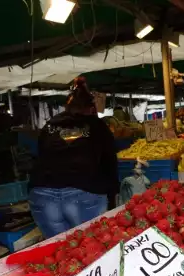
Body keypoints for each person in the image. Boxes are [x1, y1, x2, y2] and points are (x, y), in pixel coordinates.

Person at [29, 77, 119, 239]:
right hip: (83, 191)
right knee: (89, 249)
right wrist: (112, 196)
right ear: (91, 108)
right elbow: (109, 162)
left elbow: (41, 156)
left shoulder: (50, 125)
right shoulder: (97, 126)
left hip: (42, 193)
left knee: (58, 252)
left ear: (66, 107)